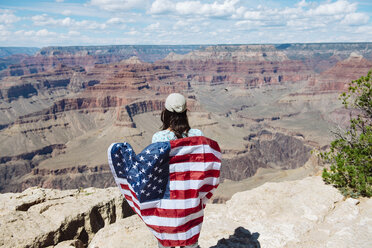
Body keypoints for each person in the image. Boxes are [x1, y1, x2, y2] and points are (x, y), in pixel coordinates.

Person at [152, 93, 202, 248]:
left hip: (168, 197)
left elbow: (156, 169)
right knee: (190, 241)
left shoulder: (159, 138)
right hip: (190, 196)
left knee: (166, 241)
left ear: (165, 114)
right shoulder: (198, 135)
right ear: (185, 113)